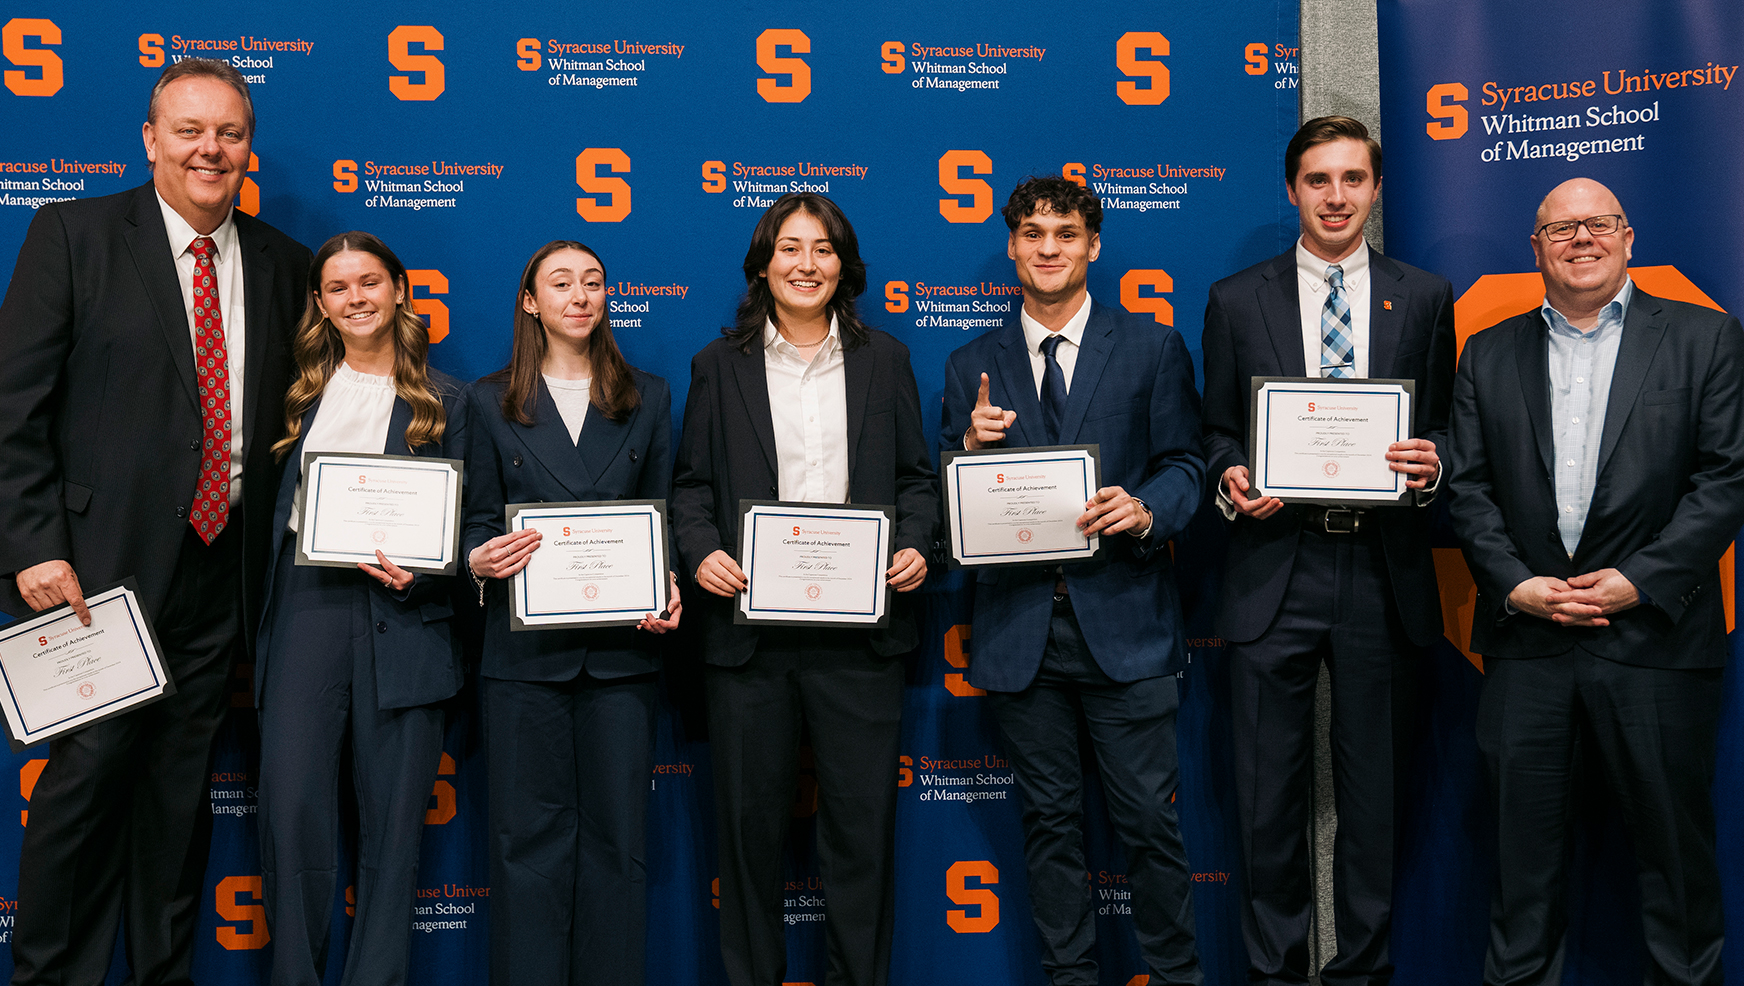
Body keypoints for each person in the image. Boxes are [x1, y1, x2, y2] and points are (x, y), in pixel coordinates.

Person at [0, 59, 311, 986]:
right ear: (150, 140)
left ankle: (159, 974)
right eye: (189, 130)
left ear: (248, 146)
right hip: (93, 575)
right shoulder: (72, 234)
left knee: (178, 797)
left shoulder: (284, 263)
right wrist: (33, 546)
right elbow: (15, 407)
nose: (210, 149)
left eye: (228, 132)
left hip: (222, 576)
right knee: (86, 787)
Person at [1448, 178, 1744, 986]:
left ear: (1628, 237)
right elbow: (1466, 489)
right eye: (1561, 228)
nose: (1582, 239)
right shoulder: (1488, 351)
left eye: (1599, 224)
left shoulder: (1706, 338)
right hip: (1527, 647)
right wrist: (1513, 584)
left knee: (1676, 876)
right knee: (1521, 877)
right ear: (1535, 247)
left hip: (1654, 641)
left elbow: (1725, 480)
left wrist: (1638, 581)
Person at [1199, 116, 1454, 985]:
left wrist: (1431, 466)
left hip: (1383, 571)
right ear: (1292, 189)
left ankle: (1362, 974)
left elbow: (1446, 425)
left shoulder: (1423, 295)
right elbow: (1216, 429)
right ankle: (1276, 973)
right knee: (1267, 798)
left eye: (1353, 179)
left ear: (1376, 190)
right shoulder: (1237, 298)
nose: (1336, 197)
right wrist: (1232, 474)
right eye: (1319, 180)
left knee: (1374, 800)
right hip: (1276, 564)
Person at [937, 174, 1206, 985]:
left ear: (1092, 246)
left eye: (1064, 234)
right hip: (1023, 636)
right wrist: (971, 458)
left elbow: (1187, 466)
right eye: (1032, 234)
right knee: (1049, 826)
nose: (1047, 248)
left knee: (1148, 829)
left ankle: (1177, 977)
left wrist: (1146, 507)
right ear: (1012, 247)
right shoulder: (969, 364)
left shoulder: (1152, 346)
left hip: (1126, 625)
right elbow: (947, 499)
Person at [670, 192, 937, 986]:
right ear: (763, 265)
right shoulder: (718, 366)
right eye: (790, 248)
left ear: (843, 267)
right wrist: (702, 552)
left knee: (861, 838)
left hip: (862, 638)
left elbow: (917, 480)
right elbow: (690, 488)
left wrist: (920, 546)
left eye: (822, 250)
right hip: (749, 639)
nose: (806, 264)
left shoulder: (886, 358)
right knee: (748, 840)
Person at [252, 231, 468, 986]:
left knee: (393, 836)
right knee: (291, 819)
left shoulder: (449, 402)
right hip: (307, 613)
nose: (356, 298)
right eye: (338, 288)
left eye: (370, 282)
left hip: (405, 624)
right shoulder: (290, 394)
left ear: (400, 289)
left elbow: (470, 533)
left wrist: (427, 574)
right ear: (320, 303)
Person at [462, 240, 680, 986]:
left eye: (593, 282)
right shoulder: (485, 400)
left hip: (623, 656)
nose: (580, 295)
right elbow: (475, 521)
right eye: (561, 283)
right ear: (531, 302)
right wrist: (476, 559)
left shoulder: (648, 396)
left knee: (620, 845)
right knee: (525, 845)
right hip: (521, 660)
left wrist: (668, 582)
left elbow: (665, 514)